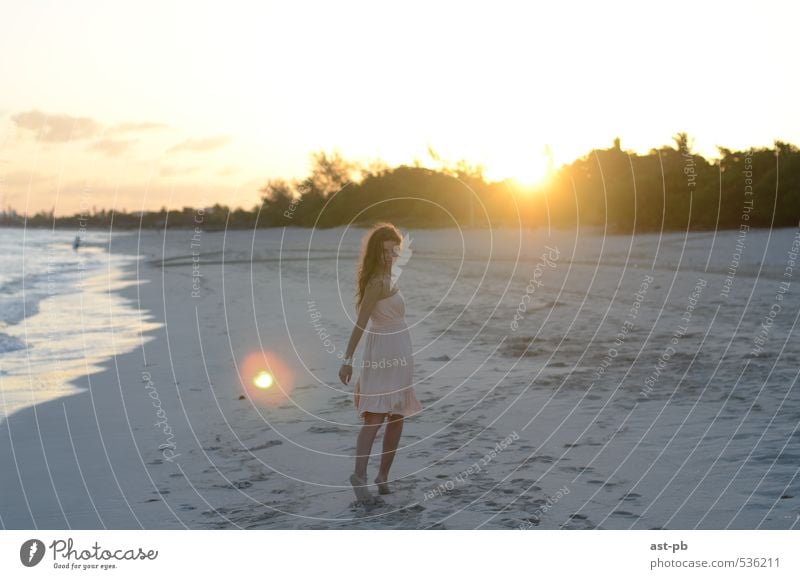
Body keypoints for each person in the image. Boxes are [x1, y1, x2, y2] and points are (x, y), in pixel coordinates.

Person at [339, 222, 422, 504]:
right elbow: (360, 323)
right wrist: (347, 360)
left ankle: (382, 476)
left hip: (400, 351)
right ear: (376, 252)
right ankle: (359, 476)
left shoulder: (391, 277)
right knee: (375, 416)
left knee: (397, 415)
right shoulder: (376, 282)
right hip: (383, 353)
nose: (390, 255)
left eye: (393, 250)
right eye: (384, 251)